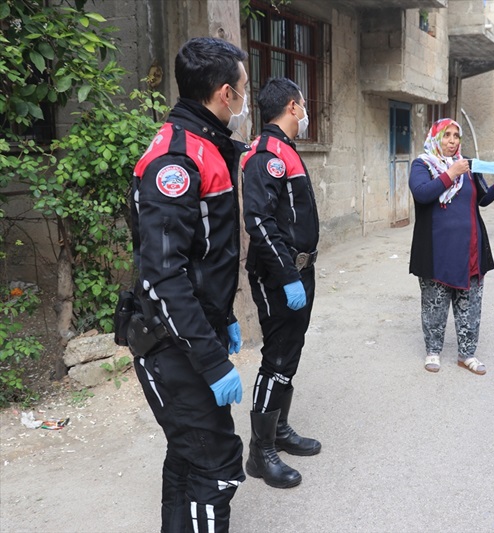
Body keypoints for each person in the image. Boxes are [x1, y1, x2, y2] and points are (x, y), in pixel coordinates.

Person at [127, 37, 249, 532]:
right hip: (171, 344)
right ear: (224, 94)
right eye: (243, 89)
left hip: (191, 332)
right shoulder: (176, 160)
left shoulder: (205, 146)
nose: (244, 98)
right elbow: (162, 275)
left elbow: (206, 256)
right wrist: (213, 359)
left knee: (189, 454)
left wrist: (226, 318)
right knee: (214, 464)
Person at [241, 77, 321, 489]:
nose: (306, 110)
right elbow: (258, 221)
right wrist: (289, 276)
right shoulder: (266, 154)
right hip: (278, 274)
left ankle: (280, 430)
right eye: (303, 103)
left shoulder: (285, 150)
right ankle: (260, 453)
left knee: (290, 351)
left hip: (298, 269)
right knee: (276, 357)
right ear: (292, 106)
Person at [408, 118, 494, 375]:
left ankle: (467, 354)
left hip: (470, 248)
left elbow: (483, 199)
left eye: (456, 135)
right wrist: (451, 173)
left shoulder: (468, 165)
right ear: (436, 138)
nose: (452, 140)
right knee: (435, 302)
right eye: (446, 135)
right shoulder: (423, 164)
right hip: (436, 249)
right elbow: (422, 193)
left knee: (470, 303)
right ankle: (433, 350)